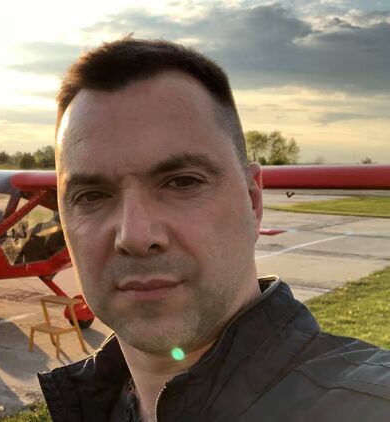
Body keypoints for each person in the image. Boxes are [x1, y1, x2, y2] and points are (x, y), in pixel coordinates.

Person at [38, 36, 390, 421]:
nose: (135, 236)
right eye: (91, 196)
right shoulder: (89, 402)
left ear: (252, 201)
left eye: (182, 182)